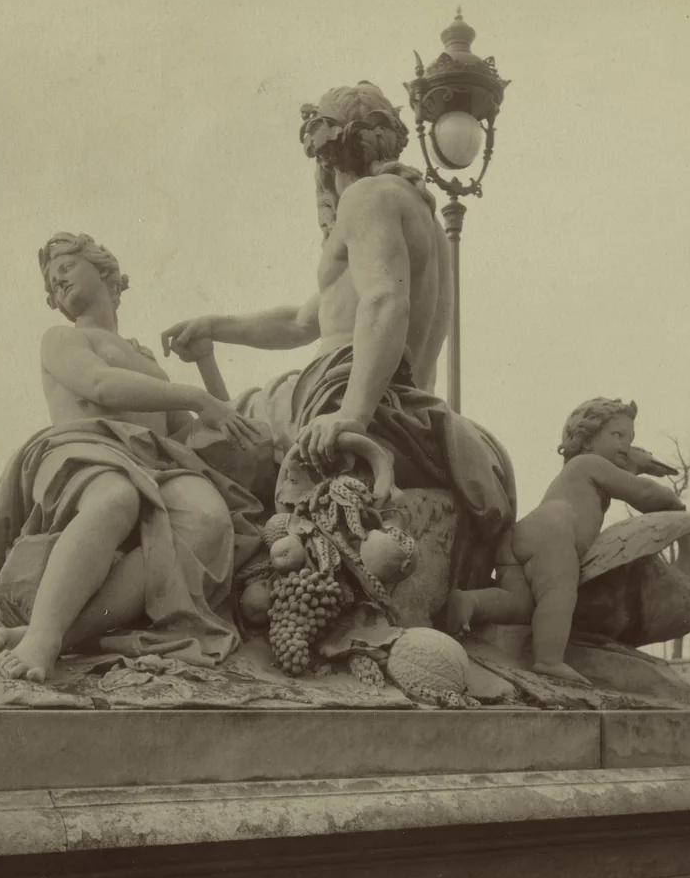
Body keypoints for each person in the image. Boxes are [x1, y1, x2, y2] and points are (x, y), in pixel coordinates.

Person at [161, 81, 515, 586]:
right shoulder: (415, 212)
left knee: (199, 432)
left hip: (348, 386)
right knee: (236, 419)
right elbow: (304, 322)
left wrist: (352, 414)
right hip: (404, 395)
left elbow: (384, 301)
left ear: (325, 160)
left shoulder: (366, 198)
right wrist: (216, 326)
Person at [0, 232, 264, 683]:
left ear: (106, 271)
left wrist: (206, 364)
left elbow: (205, 434)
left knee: (208, 521)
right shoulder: (63, 338)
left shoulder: (148, 361)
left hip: (158, 460)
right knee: (117, 498)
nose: (58, 279)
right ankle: (42, 636)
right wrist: (192, 393)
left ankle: (66, 636)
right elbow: (100, 386)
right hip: (85, 448)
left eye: (68, 265)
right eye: (52, 282)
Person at [447, 399, 686, 685]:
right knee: (558, 593)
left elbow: (622, 476)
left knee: (521, 605)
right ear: (586, 440)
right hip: (554, 534)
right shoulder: (589, 463)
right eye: (617, 435)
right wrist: (673, 502)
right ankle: (549, 660)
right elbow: (641, 493)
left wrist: (635, 463)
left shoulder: (583, 469)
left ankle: (469, 601)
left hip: (523, 536)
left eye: (631, 438)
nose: (626, 444)